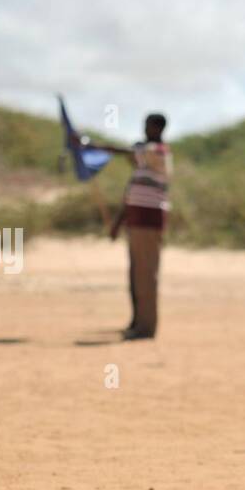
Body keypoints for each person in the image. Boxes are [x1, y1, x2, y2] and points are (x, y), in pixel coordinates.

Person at [88, 114, 172, 340]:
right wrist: (117, 223)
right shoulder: (142, 168)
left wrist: (94, 146)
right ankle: (137, 322)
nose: (144, 129)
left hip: (148, 222)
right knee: (136, 275)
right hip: (136, 223)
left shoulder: (159, 152)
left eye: (148, 126)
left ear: (158, 128)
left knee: (146, 275)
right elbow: (129, 197)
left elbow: (127, 151)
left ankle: (146, 328)